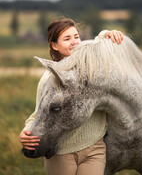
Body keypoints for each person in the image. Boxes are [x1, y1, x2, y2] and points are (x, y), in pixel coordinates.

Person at [20, 18, 123, 175]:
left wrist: (107, 34)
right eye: (67, 39)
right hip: (61, 153)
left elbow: (98, 45)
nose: (74, 42)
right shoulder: (49, 79)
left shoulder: (92, 68)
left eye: (76, 37)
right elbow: (39, 113)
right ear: (55, 45)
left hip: (95, 149)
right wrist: (27, 131)